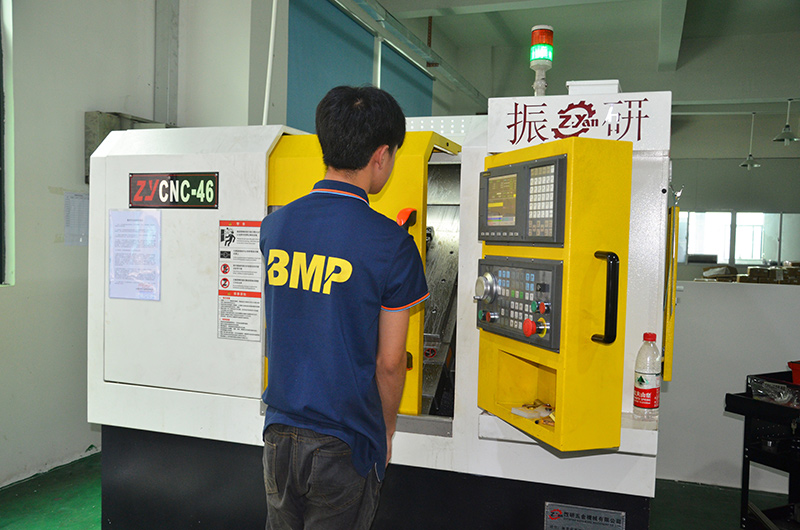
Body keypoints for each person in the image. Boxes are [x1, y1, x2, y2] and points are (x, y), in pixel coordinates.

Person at [259, 85, 429, 530]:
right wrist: (386, 430)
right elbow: (390, 363)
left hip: (278, 436)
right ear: (381, 155)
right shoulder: (392, 244)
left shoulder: (275, 227)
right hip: (344, 443)